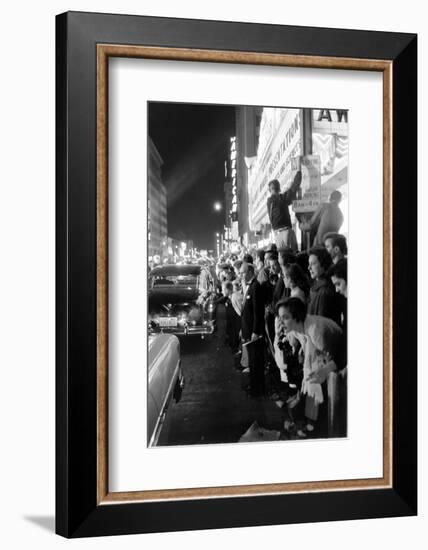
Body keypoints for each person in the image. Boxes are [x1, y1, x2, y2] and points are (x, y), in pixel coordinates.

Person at [276, 298, 344, 435]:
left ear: (297, 316)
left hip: (339, 357)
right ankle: (310, 424)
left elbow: (333, 357)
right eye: (280, 317)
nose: (281, 322)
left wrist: (321, 369)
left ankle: (318, 428)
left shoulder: (315, 330)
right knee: (310, 381)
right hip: (323, 354)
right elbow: (304, 344)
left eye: (285, 317)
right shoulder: (296, 327)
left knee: (318, 388)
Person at [239, 262, 265, 397]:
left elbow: (257, 311)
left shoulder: (255, 287)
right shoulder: (249, 286)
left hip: (253, 332)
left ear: (250, 272)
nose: (241, 275)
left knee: (255, 362)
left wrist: (255, 330)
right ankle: (254, 386)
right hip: (248, 330)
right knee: (252, 361)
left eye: (243, 272)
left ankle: (257, 390)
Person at [266, 171, 302, 252]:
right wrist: (299, 173)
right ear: (279, 188)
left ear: (270, 191)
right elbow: (293, 189)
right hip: (286, 232)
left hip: (277, 235)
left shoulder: (270, 201)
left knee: (283, 258)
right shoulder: (279, 199)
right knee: (291, 256)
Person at [307, 246, 342, 326]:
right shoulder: (316, 285)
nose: (309, 268)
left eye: (313, 264)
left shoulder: (325, 291)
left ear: (323, 264)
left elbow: (320, 325)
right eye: (309, 264)